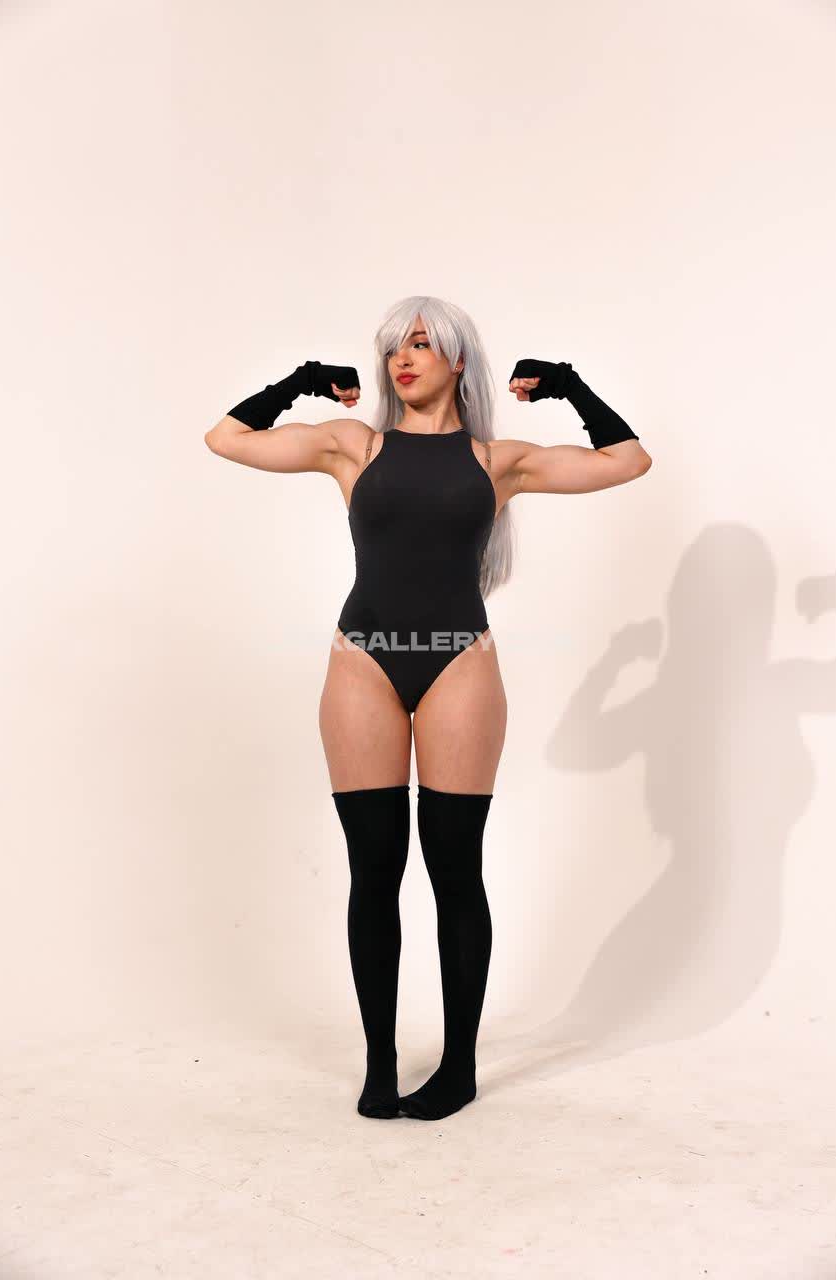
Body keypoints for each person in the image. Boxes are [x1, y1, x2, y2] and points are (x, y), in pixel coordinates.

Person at [204, 295, 652, 1122]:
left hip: (460, 663)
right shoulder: (354, 446)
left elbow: (628, 461)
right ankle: (378, 1065)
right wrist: (299, 383)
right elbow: (226, 439)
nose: (402, 359)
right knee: (374, 869)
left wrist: (569, 386)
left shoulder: (497, 460)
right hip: (362, 661)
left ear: (457, 359)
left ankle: (458, 1068)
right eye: (393, 348)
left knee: (454, 869)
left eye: (420, 344)